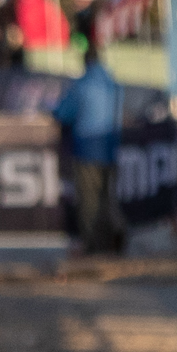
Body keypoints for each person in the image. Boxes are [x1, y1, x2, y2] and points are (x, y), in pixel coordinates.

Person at [48, 23, 124, 255]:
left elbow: (64, 112)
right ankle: (114, 236)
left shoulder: (82, 85)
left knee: (89, 200)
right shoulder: (113, 84)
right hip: (110, 147)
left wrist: (53, 110)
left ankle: (91, 244)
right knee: (107, 197)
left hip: (87, 148)